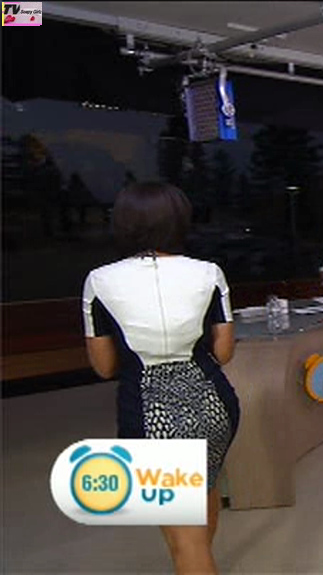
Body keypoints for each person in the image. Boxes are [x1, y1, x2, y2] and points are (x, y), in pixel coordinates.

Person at [82, 181, 239, 574]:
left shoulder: (99, 281)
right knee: (204, 491)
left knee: (184, 542)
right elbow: (223, 352)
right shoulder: (209, 273)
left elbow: (104, 366)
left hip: (151, 416)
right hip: (214, 405)